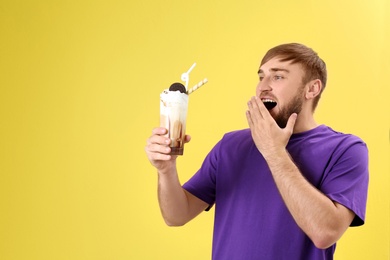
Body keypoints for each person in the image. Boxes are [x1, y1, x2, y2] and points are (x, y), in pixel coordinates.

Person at [145, 43, 369, 260]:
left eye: (278, 76)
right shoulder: (230, 145)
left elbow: (325, 233)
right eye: (261, 77)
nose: (263, 87)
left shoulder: (346, 150)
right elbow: (176, 215)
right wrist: (166, 170)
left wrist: (274, 151)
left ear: (312, 89)